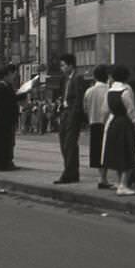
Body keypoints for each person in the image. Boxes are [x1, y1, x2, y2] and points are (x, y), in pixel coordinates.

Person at [101, 64, 135, 195]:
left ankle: (119, 182)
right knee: (128, 153)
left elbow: (105, 109)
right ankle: (123, 184)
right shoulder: (125, 91)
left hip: (113, 123)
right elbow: (131, 110)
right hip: (125, 124)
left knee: (117, 154)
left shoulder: (110, 91)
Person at [54, 53, 85, 184]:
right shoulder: (65, 79)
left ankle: (69, 172)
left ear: (71, 65)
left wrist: (74, 114)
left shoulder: (78, 78)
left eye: (63, 65)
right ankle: (72, 171)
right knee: (63, 142)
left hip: (72, 114)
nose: (62, 68)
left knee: (70, 144)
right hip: (65, 113)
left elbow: (78, 99)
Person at [84, 64, 111, 186]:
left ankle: (101, 177)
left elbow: (85, 108)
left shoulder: (89, 91)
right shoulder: (109, 90)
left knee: (96, 151)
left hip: (93, 122)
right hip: (107, 124)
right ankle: (104, 178)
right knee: (106, 151)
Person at [0, 65, 19, 171]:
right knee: (1, 143)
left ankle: (7, 162)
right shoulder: (0, 88)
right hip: (2, 121)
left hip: (8, 120)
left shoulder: (8, 86)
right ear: (6, 75)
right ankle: (1, 164)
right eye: (12, 74)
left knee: (8, 142)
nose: (14, 77)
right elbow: (2, 105)